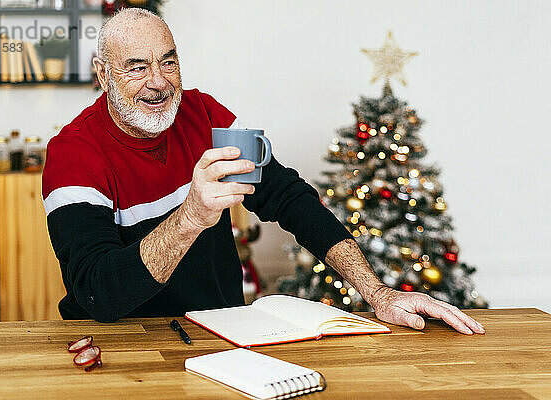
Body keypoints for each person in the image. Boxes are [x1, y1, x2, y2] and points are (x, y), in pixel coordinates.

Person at [42, 8, 484, 335]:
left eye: (168, 61)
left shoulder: (206, 117)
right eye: (136, 67)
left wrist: (378, 293)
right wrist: (191, 216)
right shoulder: (73, 154)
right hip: (118, 343)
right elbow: (99, 292)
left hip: (215, 332)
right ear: (103, 75)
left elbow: (290, 199)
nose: (159, 82)